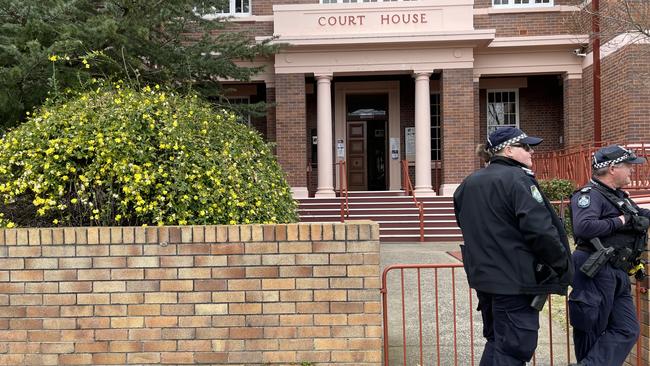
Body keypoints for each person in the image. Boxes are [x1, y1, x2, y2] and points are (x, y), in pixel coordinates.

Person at [454, 127, 573, 366]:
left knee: (498, 342)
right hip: (515, 282)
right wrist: (562, 266)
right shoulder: (518, 179)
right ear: (508, 150)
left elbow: (465, 225)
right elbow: (541, 231)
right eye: (526, 147)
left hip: (486, 280)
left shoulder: (467, 184)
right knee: (513, 349)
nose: (531, 152)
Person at [569, 144, 649, 366]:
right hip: (595, 268)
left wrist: (637, 218)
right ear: (613, 168)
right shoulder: (589, 195)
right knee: (591, 331)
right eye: (628, 166)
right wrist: (622, 221)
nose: (632, 170)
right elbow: (584, 227)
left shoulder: (618, 197)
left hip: (618, 270)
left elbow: (641, 214)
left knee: (627, 329)